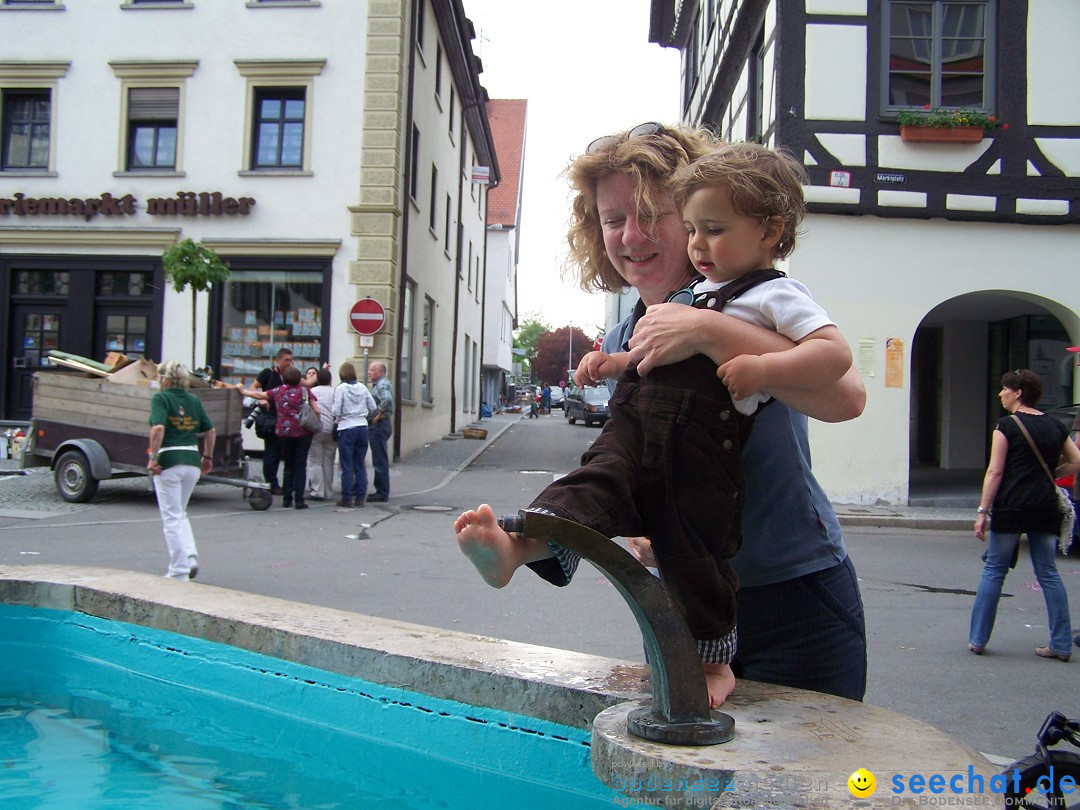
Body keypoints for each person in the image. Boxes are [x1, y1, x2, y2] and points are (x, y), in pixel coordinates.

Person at [456, 124, 865, 707]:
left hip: (792, 592)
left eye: (652, 212)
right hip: (685, 600)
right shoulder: (627, 331)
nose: (631, 234)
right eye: (612, 218)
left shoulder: (750, 294)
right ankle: (529, 543)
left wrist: (707, 330)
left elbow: (845, 397)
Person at [969, 369, 1080, 661]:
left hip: (1011, 505)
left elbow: (995, 472)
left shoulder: (1006, 426)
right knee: (1048, 573)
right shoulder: (1055, 425)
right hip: (1045, 504)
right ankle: (1061, 644)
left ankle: (978, 639)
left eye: (1005, 389)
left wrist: (982, 510)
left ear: (1018, 392)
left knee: (994, 570)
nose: (1000, 394)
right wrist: (1050, 475)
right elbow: (1076, 461)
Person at [147, 360, 215, 580]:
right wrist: (208, 456)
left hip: (170, 459)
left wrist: (152, 457)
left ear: (164, 378)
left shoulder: (161, 398)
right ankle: (190, 555)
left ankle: (179, 570)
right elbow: (210, 430)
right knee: (180, 512)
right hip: (192, 459)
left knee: (171, 517)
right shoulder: (193, 400)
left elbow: (158, 428)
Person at [240, 366, 319, 509]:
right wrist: (316, 423)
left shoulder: (278, 391)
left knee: (288, 465)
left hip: (285, 432)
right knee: (300, 466)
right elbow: (317, 409)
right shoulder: (305, 391)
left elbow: (260, 395)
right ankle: (299, 500)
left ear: (283, 378)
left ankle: (287, 499)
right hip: (303, 432)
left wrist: (243, 391)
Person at [332, 362, 377, 508]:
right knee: (359, 463)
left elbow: (336, 410)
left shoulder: (341, 388)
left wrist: (337, 417)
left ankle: (347, 497)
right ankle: (360, 496)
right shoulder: (362, 387)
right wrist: (364, 415)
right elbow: (373, 407)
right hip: (362, 426)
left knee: (346, 464)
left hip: (347, 426)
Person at [252, 348, 293, 495]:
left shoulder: (290, 375)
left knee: (280, 451)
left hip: (285, 419)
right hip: (270, 418)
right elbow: (253, 387)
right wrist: (262, 399)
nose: (289, 363)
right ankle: (271, 482)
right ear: (278, 360)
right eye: (286, 360)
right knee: (271, 451)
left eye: (290, 360)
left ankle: (282, 482)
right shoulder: (268, 373)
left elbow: (306, 383)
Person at [306, 367, 337, 501]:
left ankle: (317, 491)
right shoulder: (335, 392)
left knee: (315, 461)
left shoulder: (312, 392)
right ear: (330, 380)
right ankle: (328, 491)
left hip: (316, 429)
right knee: (328, 461)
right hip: (332, 430)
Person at [367, 360, 394, 502]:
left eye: (372, 370)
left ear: (381, 372)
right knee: (378, 458)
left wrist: (377, 417)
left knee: (380, 459)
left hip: (380, 425)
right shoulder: (379, 384)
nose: (369, 372)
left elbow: (387, 401)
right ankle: (380, 490)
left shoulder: (382, 384)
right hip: (381, 424)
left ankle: (382, 492)